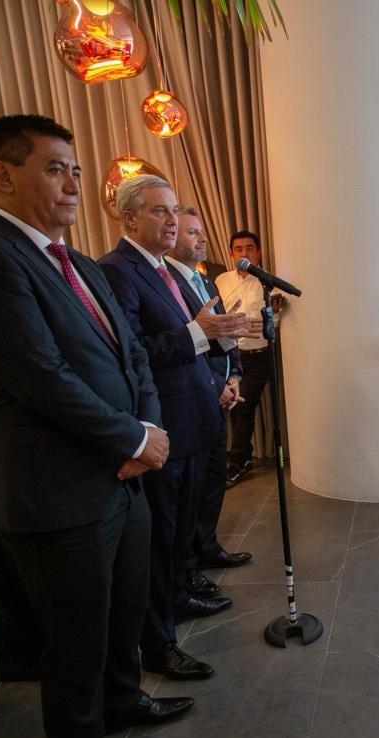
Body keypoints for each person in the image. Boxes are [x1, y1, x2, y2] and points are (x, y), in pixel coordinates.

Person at [0, 114, 186, 738]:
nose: (74, 183)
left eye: (76, 170)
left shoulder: (78, 263)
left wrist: (147, 429)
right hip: (57, 492)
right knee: (75, 638)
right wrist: (129, 441)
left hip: (120, 477)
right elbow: (40, 378)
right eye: (56, 168)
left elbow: (133, 355)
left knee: (124, 607)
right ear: (3, 174)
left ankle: (122, 698)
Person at [100, 176, 248, 683]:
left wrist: (219, 340)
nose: (170, 221)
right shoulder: (117, 271)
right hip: (163, 426)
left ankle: (179, 598)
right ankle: (159, 645)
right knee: (159, 541)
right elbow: (132, 353)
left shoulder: (168, 272)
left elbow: (196, 339)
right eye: (159, 212)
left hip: (195, 417)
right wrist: (198, 332)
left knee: (180, 532)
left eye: (172, 212)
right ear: (129, 219)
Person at [165, 206, 254, 577]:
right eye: (191, 233)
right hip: (193, 400)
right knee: (193, 489)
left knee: (213, 480)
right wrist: (217, 385)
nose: (202, 239)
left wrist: (233, 377)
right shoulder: (168, 281)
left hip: (217, 392)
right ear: (171, 239)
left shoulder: (205, 279)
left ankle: (208, 546)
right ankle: (188, 566)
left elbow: (222, 336)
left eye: (202, 232)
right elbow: (186, 345)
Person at [215, 230, 285, 487]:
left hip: (258, 355)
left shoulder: (268, 283)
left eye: (249, 248)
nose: (244, 253)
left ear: (258, 252)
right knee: (228, 407)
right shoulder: (221, 280)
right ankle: (234, 458)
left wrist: (261, 323)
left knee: (243, 406)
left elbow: (275, 320)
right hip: (227, 354)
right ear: (232, 253)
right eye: (238, 249)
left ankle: (239, 462)